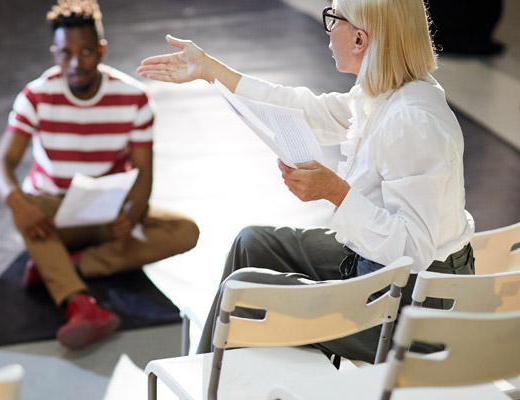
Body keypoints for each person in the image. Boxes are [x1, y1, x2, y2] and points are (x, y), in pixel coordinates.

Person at [138, 0, 475, 363]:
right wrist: (209, 69)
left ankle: (209, 384)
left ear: (360, 39)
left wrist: (335, 193)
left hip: (416, 312)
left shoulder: (412, 120)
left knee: (248, 290)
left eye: (333, 18)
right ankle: (211, 379)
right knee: (252, 243)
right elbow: (302, 111)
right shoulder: (386, 93)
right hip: (386, 277)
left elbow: (412, 251)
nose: (327, 29)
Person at [0, 0, 200, 350]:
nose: (76, 63)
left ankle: (64, 265)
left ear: (101, 50)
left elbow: (143, 172)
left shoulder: (134, 98)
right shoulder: (36, 95)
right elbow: (1, 166)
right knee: (22, 205)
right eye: (66, 53)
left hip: (108, 208)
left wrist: (132, 214)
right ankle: (79, 303)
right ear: (55, 53)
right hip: (52, 212)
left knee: (185, 230)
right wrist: (18, 204)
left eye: (86, 52)